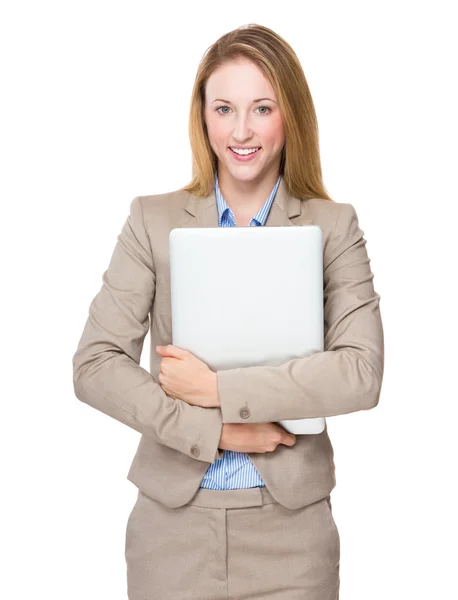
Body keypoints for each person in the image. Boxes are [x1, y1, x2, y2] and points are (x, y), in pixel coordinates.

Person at [72, 23, 384, 600]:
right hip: (171, 535)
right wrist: (216, 429)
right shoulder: (152, 220)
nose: (242, 131)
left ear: (289, 114)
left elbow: (360, 374)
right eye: (224, 108)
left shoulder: (333, 227)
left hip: (293, 538)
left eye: (262, 108)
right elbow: (95, 365)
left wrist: (217, 387)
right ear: (204, 116)